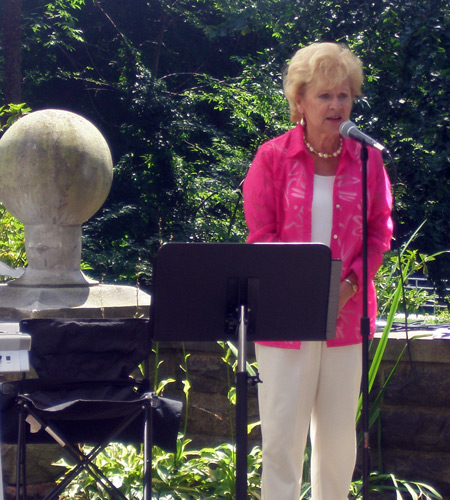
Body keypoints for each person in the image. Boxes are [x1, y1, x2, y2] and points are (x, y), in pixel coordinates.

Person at [243, 42, 393, 500]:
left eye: (344, 95)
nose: (336, 105)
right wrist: (301, 287)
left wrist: (347, 286)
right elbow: (260, 235)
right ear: (299, 102)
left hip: (346, 316)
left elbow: (378, 232)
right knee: (282, 440)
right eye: (325, 95)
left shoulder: (368, 159)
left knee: (337, 440)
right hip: (285, 315)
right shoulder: (272, 157)